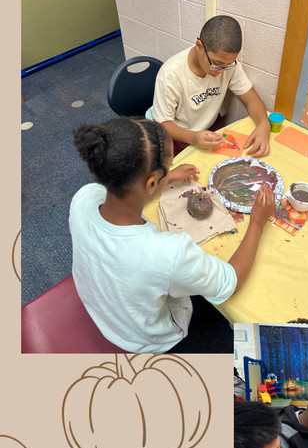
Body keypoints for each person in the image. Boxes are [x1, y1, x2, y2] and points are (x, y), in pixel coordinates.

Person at [70, 117, 275, 353]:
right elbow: (230, 281)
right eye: (167, 168)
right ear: (150, 183)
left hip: (103, 307)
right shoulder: (168, 253)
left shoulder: (83, 198)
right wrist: (257, 223)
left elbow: (119, 194)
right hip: (147, 339)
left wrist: (165, 178)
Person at [149, 15, 271, 157]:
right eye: (216, 63)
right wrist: (193, 137)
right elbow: (163, 124)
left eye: (228, 65)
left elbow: (250, 97)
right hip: (179, 135)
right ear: (199, 46)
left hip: (210, 129)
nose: (221, 71)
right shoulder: (171, 74)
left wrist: (264, 124)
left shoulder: (228, 65)